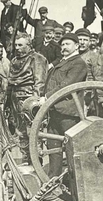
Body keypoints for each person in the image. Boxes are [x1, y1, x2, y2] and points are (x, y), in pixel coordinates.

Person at [37, 32, 88, 178]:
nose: (64, 47)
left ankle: (76, 183)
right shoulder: (62, 62)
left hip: (68, 113)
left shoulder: (78, 63)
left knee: (72, 150)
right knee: (54, 149)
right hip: (54, 111)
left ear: (77, 46)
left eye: (67, 44)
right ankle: (54, 182)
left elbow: (66, 86)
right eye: (62, 44)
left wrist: (46, 97)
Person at [7, 32, 47, 164]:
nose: (17, 48)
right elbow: (9, 82)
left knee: (34, 132)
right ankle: (25, 159)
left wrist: (35, 103)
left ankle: (36, 161)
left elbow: (40, 81)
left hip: (29, 100)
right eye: (15, 45)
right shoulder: (13, 61)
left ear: (29, 45)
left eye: (20, 45)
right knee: (20, 131)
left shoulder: (37, 59)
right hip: (15, 100)